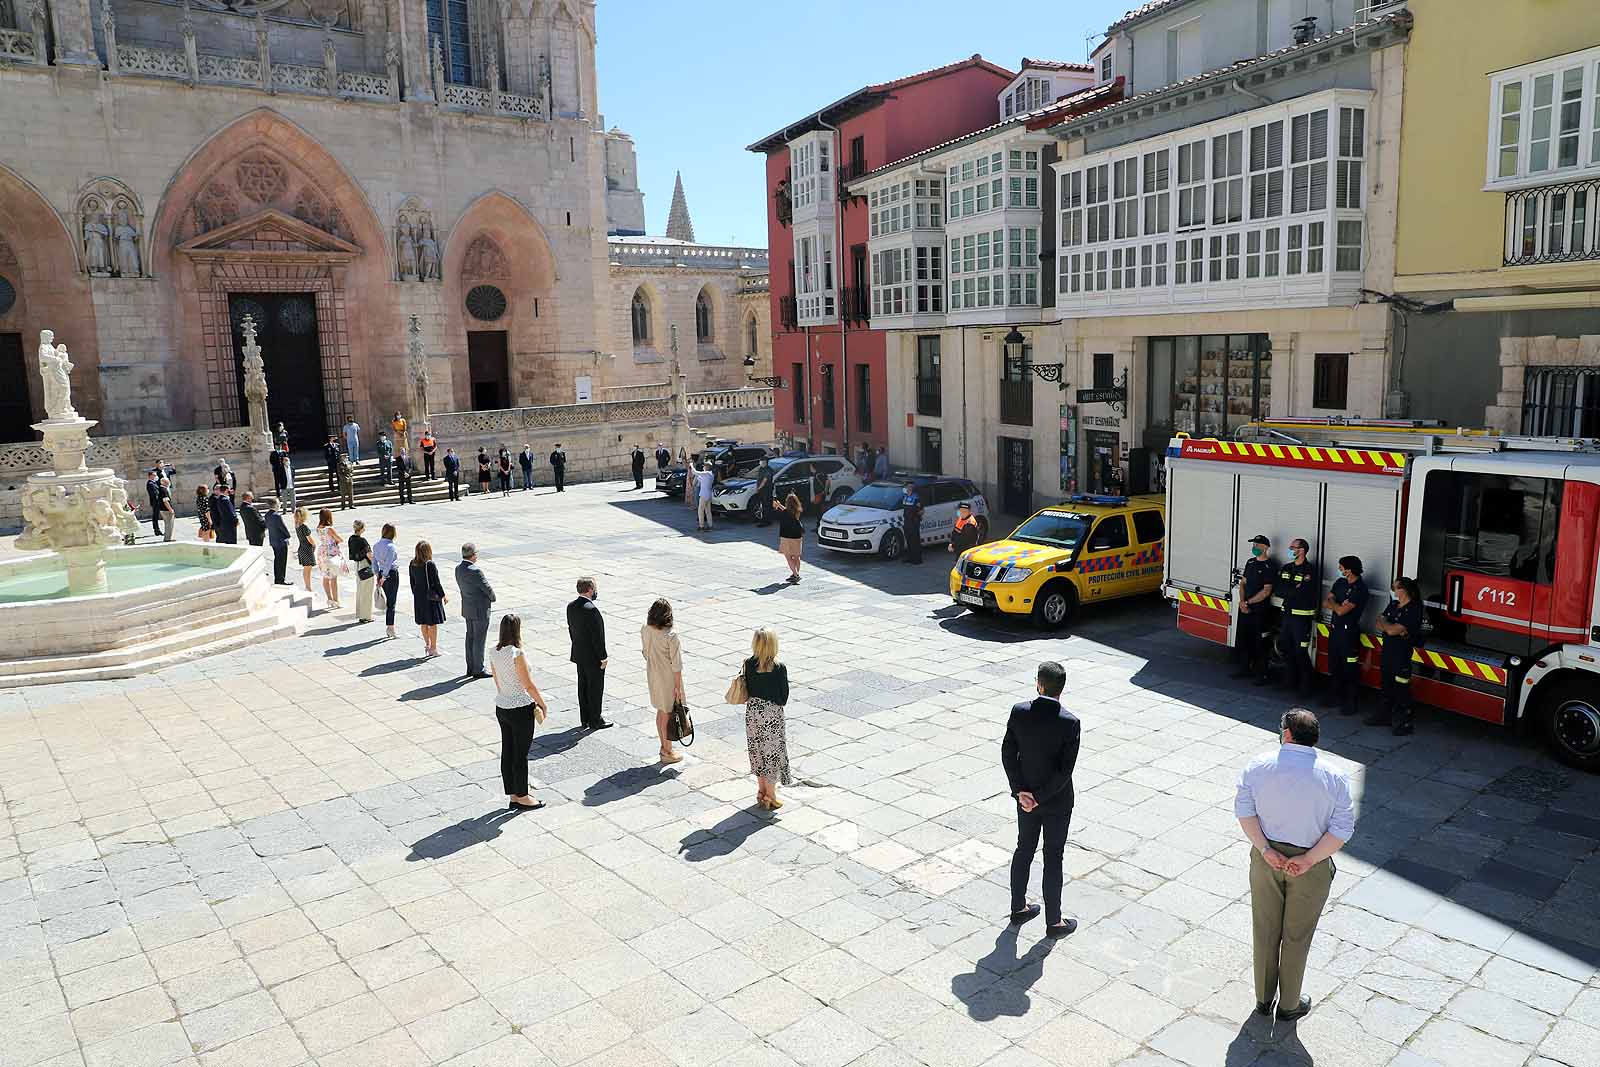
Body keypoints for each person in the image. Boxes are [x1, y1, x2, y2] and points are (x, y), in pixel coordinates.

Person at [1236, 708, 1355, 1022]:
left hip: (1267, 858)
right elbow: (1342, 829)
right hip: (1311, 863)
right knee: (1297, 935)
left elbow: (1245, 813)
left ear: (1286, 734)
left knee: (1265, 929)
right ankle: (1289, 1004)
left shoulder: (1258, 766)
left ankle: (1263, 999)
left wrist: (1264, 849)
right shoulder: (1334, 775)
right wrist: (1308, 859)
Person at [1001, 660, 1081, 939]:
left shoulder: (1019, 712)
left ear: (1039, 683)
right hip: (1057, 802)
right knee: (1053, 857)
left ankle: (1018, 907)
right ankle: (1054, 922)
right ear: (1062, 688)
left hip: (1025, 800)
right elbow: (1064, 771)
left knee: (1024, 849)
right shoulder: (1070, 722)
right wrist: (1040, 797)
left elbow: (1008, 753)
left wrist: (1021, 792)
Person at [489, 614, 548, 811]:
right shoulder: (517, 654)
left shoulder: (493, 652)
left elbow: (497, 680)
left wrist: (505, 695)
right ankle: (523, 796)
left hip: (502, 706)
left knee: (508, 751)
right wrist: (542, 703)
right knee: (521, 754)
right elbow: (528, 685)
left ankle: (514, 793)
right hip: (520, 707)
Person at [741, 628, 792, 810]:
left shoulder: (748, 664)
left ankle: (761, 791)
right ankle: (771, 795)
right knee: (772, 753)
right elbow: (783, 698)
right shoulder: (779, 668)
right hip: (771, 714)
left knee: (757, 750)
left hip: (753, 712)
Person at [1370, 577, 1422, 736]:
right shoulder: (1393, 604)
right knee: (1386, 684)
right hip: (1388, 650)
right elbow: (1379, 622)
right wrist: (1389, 626)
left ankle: (1405, 723)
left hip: (1402, 653)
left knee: (1401, 689)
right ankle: (1383, 717)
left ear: (1404, 590)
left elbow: (1391, 629)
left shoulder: (1414, 608)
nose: (1393, 591)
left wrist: (1388, 626)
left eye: (1396, 588)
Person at [641, 598, 686, 765]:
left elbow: (645, 653)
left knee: (661, 711)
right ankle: (667, 750)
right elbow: (676, 664)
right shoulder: (671, 636)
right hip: (667, 676)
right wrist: (678, 687)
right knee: (668, 712)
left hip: (653, 673)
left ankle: (664, 747)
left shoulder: (645, 630)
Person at [1324, 556, 1368, 717]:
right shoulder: (1340, 583)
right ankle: (1335, 696)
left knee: (1350, 669)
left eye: (1341, 567)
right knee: (1334, 665)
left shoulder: (1360, 589)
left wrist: (1336, 605)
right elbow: (1326, 601)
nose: (1340, 570)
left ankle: (1351, 702)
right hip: (1335, 631)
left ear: (1349, 570)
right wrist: (1338, 605)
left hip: (1349, 634)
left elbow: (1342, 611)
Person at [566, 576, 611, 730]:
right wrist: (603, 657)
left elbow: (571, 630)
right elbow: (598, 638)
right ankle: (595, 719)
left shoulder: (570, 606)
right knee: (595, 688)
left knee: (583, 686)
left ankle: (584, 718)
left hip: (579, 654)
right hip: (593, 657)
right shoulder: (592, 610)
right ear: (590, 589)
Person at [1277, 539, 1318, 696]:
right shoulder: (1287, 568)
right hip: (1287, 615)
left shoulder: (1310, 570)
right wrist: (1293, 589)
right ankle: (1289, 682)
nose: (1290, 549)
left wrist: (1291, 590)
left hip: (1301, 619)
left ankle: (1306, 687)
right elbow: (1279, 589)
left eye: (1293, 547)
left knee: (1301, 652)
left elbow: (1304, 592)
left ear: (1302, 550)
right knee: (1285, 648)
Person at [1234, 535, 1276, 686]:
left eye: (1257, 545)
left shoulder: (1270, 566)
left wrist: (1248, 602)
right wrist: (1242, 602)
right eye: (1254, 545)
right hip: (1245, 608)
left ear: (1265, 547)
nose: (1254, 547)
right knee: (1244, 639)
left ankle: (1261, 674)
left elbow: (1266, 591)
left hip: (1259, 610)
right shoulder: (1250, 562)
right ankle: (1244, 668)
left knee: (1260, 643)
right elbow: (1243, 583)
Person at [456, 543, 496, 679]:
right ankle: (478, 669)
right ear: (473, 555)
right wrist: (493, 598)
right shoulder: (475, 571)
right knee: (479, 639)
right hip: (480, 609)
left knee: (470, 638)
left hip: (468, 608)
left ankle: (471, 667)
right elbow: (487, 588)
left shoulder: (458, 568)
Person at [409, 541, 446, 658]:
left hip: (419, 597)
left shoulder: (412, 563)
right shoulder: (429, 564)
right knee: (432, 624)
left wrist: (415, 593)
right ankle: (434, 648)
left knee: (423, 622)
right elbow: (436, 582)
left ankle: (427, 645)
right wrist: (443, 595)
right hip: (430, 598)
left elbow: (412, 582)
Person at [772, 491, 805, 583]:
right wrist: (779, 505)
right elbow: (787, 511)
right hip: (797, 536)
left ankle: (795, 574)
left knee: (788, 556)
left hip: (786, 536)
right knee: (796, 556)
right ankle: (796, 573)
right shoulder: (798, 510)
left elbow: (779, 514)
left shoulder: (784, 513)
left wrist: (775, 507)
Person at [373, 523, 400, 638]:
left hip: (380, 573)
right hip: (391, 574)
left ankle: (390, 627)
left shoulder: (376, 545)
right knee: (391, 603)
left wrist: (378, 576)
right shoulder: (391, 546)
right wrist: (384, 577)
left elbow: (374, 562)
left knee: (387, 600)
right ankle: (390, 627)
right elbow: (389, 563)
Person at [315, 508, 344, 608]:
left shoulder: (318, 528)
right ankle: (336, 601)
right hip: (331, 553)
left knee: (325, 576)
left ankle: (329, 599)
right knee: (333, 578)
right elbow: (339, 539)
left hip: (322, 552)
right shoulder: (329, 529)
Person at [348, 519, 375, 623]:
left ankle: (360, 614)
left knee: (360, 591)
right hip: (365, 566)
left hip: (357, 566)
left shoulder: (351, 539)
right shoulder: (362, 541)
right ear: (362, 528)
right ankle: (366, 616)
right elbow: (369, 555)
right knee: (367, 592)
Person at [265, 505, 290, 584]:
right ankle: (281, 579)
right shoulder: (277, 516)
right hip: (281, 541)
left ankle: (277, 579)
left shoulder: (267, 515)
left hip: (273, 541)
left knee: (277, 561)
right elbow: (283, 527)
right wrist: (288, 535)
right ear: (275, 505)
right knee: (282, 561)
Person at [294, 507, 315, 593]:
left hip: (301, 548)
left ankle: (307, 586)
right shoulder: (304, 526)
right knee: (308, 570)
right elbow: (309, 539)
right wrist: (314, 544)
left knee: (306, 569)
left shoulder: (297, 525)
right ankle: (308, 588)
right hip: (307, 548)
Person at [901, 484, 923, 565]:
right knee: (909, 540)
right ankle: (910, 557)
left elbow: (921, 510)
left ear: (911, 489)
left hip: (914, 521)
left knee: (915, 540)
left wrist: (916, 517)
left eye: (907, 487)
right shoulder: (905, 496)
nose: (906, 489)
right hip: (907, 521)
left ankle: (917, 559)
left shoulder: (916, 497)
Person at [694, 459, 716, 531]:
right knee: (708, 511)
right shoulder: (711, 474)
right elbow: (701, 479)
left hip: (703, 494)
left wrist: (691, 465)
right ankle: (710, 525)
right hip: (708, 494)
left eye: (704, 466)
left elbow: (695, 472)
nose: (703, 467)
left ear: (706, 467)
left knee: (700, 510)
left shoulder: (706, 473)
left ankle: (701, 526)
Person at [752, 457, 774, 527]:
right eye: (760, 461)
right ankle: (762, 519)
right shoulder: (761, 469)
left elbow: (764, 480)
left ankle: (766, 521)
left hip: (767, 489)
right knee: (762, 505)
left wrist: (759, 488)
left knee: (766, 505)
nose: (760, 463)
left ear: (766, 462)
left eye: (762, 461)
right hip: (762, 490)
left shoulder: (768, 470)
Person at [157, 477, 176, 542]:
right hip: (166, 510)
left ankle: (167, 538)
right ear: (165, 482)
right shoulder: (163, 490)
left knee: (167, 524)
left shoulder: (160, 489)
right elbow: (165, 501)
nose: (169, 483)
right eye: (168, 482)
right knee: (169, 524)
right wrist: (170, 509)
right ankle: (168, 539)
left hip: (162, 509)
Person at [144, 471, 161, 538]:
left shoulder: (154, 482)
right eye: (154, 475)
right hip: (155, 502)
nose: (155, 476)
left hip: (156, 502)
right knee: (155, 517)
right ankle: (156, 530)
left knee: (156, 516)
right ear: (150, 476)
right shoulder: (150, 483)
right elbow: (154, 494)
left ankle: (157, 530)